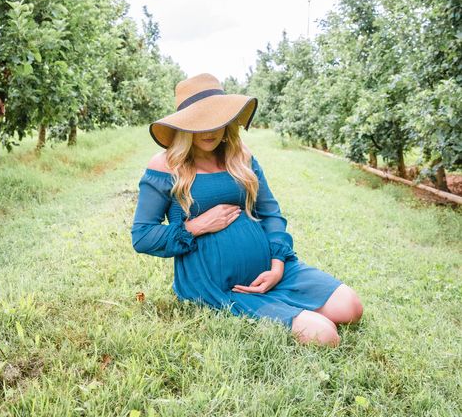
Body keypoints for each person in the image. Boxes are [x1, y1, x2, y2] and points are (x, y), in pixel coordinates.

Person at [131, 73, 363, 347]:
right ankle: (290, 312)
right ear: (185, 126)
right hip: (214, 282)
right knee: (325, 336)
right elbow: (142, 236)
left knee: (351, 307)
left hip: (268, 269)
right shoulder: (165, 165)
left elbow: (270, 213)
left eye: (216, 119)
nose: (209, 130)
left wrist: (277, 266)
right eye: (199, 122)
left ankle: (284, 299)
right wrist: (199, 225)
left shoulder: (240, 156)